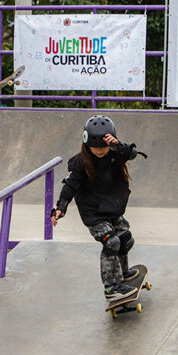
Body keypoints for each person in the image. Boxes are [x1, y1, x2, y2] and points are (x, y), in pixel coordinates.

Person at [50, 115, 147, 302]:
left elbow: (132, 153)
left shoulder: (116, 154)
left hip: (112, 208)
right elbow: (70, 185)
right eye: (96, 148)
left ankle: (123, 274)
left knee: (125, 238)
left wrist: (117, 145)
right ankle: (111, 287)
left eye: (103, 147)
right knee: (111, 243)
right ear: (87, 144)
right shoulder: (79, 163)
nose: (100, 151)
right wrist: (61, 207)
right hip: (93, 213)